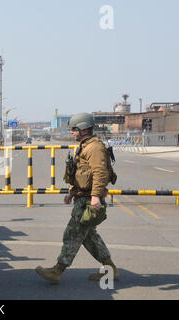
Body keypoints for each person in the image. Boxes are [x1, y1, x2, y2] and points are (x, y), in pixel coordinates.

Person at [35, 112, 119, 284]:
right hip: (82, 197)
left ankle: (57, 271)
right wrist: (72, 192)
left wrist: (95, 196)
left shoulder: (94, 148)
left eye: (74, 129)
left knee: (72, 234)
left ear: (83, 128)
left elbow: (99, 173)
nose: (72, 132)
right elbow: (82, 175)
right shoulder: (84, 146)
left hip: (89, 201)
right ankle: (111, 270)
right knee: (89, 237)